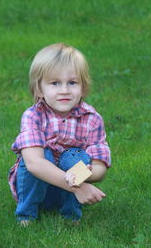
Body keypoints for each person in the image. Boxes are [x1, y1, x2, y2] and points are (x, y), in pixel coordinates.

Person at [8, 43, 111, 226]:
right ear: (39, 89)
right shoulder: (33, 116)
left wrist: (83, 174)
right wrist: (80, 188)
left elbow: (100, 167)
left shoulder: (92, 119)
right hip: (37, 185)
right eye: (55, 83)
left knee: (76, 157)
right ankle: (27, 215)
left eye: (72, 82)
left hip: (69, 190)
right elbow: (33, 164)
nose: (64, 90)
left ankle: (70, 216)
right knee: (44, 154)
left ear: (83, 88)